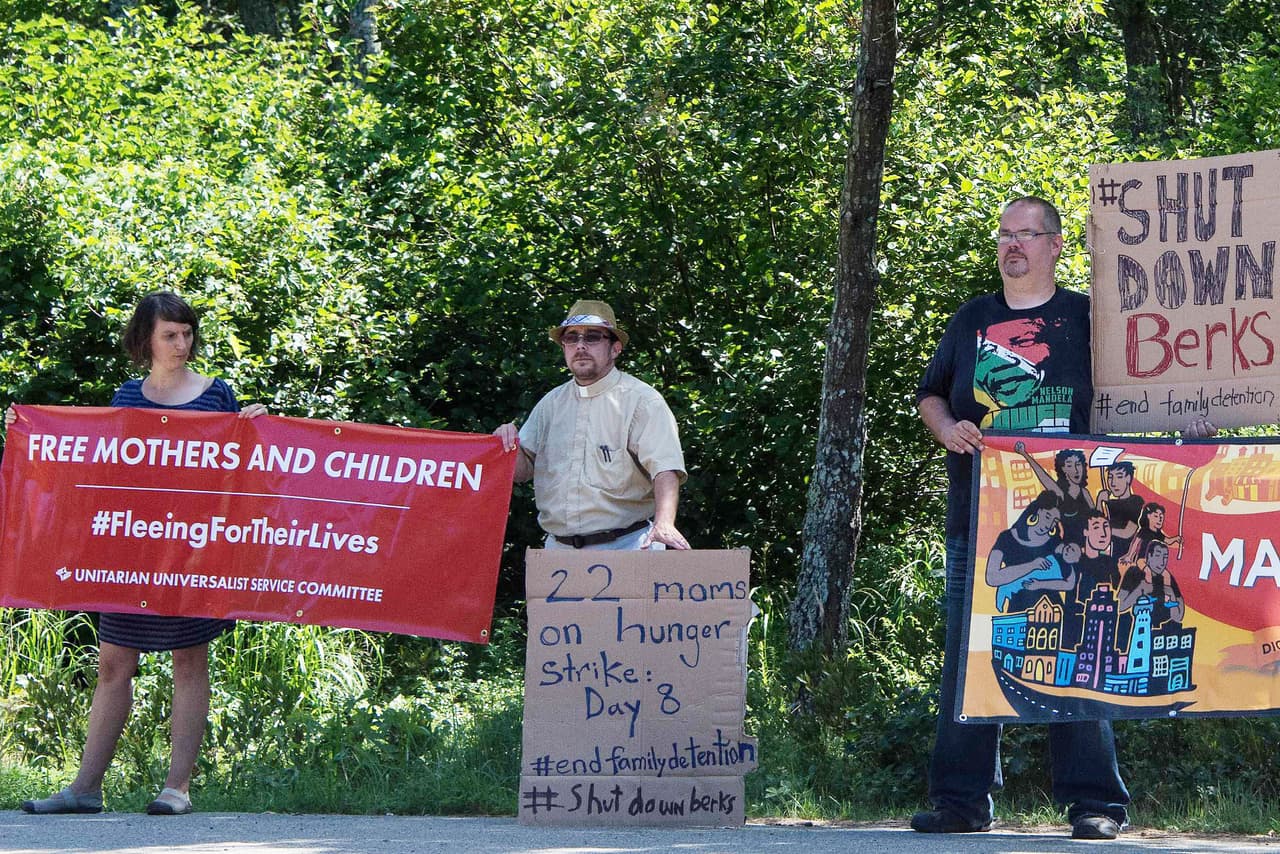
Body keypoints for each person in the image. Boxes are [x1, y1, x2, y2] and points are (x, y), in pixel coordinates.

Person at [913, 196, 1130, 840]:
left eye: (1027, 235)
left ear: (1056, 245)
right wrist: (948, 425)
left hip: (1074, 522)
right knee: (968, 655)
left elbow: (1135, 398)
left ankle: (1095, 803)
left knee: (1077, 649)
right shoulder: (973, 318)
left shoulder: (1087, 320)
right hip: (979, 519)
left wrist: (1191, 426)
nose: (1013, 245)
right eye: (1005, 234)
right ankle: (961, 801)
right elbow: (930, 393)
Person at [5, 292, 267, 816]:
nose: (182, 344)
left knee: (190, 661)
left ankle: (177, 789)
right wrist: (31, 439)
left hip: (194, 555)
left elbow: (243, 478)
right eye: (170, 335)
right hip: (133, 552)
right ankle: (84, 789)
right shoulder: (128, 396)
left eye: (187, 333)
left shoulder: (218, 396)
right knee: (112, 663)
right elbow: (104, 469)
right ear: (144, 339)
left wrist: (257, 432)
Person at [492, 299, 689, 550]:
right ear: (564, 347)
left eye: (593, 337)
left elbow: (665, 468)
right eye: (571, 338)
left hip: (628, 546)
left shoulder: (642, 401)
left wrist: (664, 524)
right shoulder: (550, 404)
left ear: (615, 348)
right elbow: (522, 471)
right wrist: (506, 445)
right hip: (558, 551)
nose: (581, 346)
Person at [1014, 442, 1093, 545]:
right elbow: (1043, 476)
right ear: (1063, 469)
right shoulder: (1060, 493)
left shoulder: (1085, 493)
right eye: (1069, 465)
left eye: (1078, 464)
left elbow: (1096, 518)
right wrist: (1024, 454)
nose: (1076, 470)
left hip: (1087, 546)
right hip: (1067, 548)